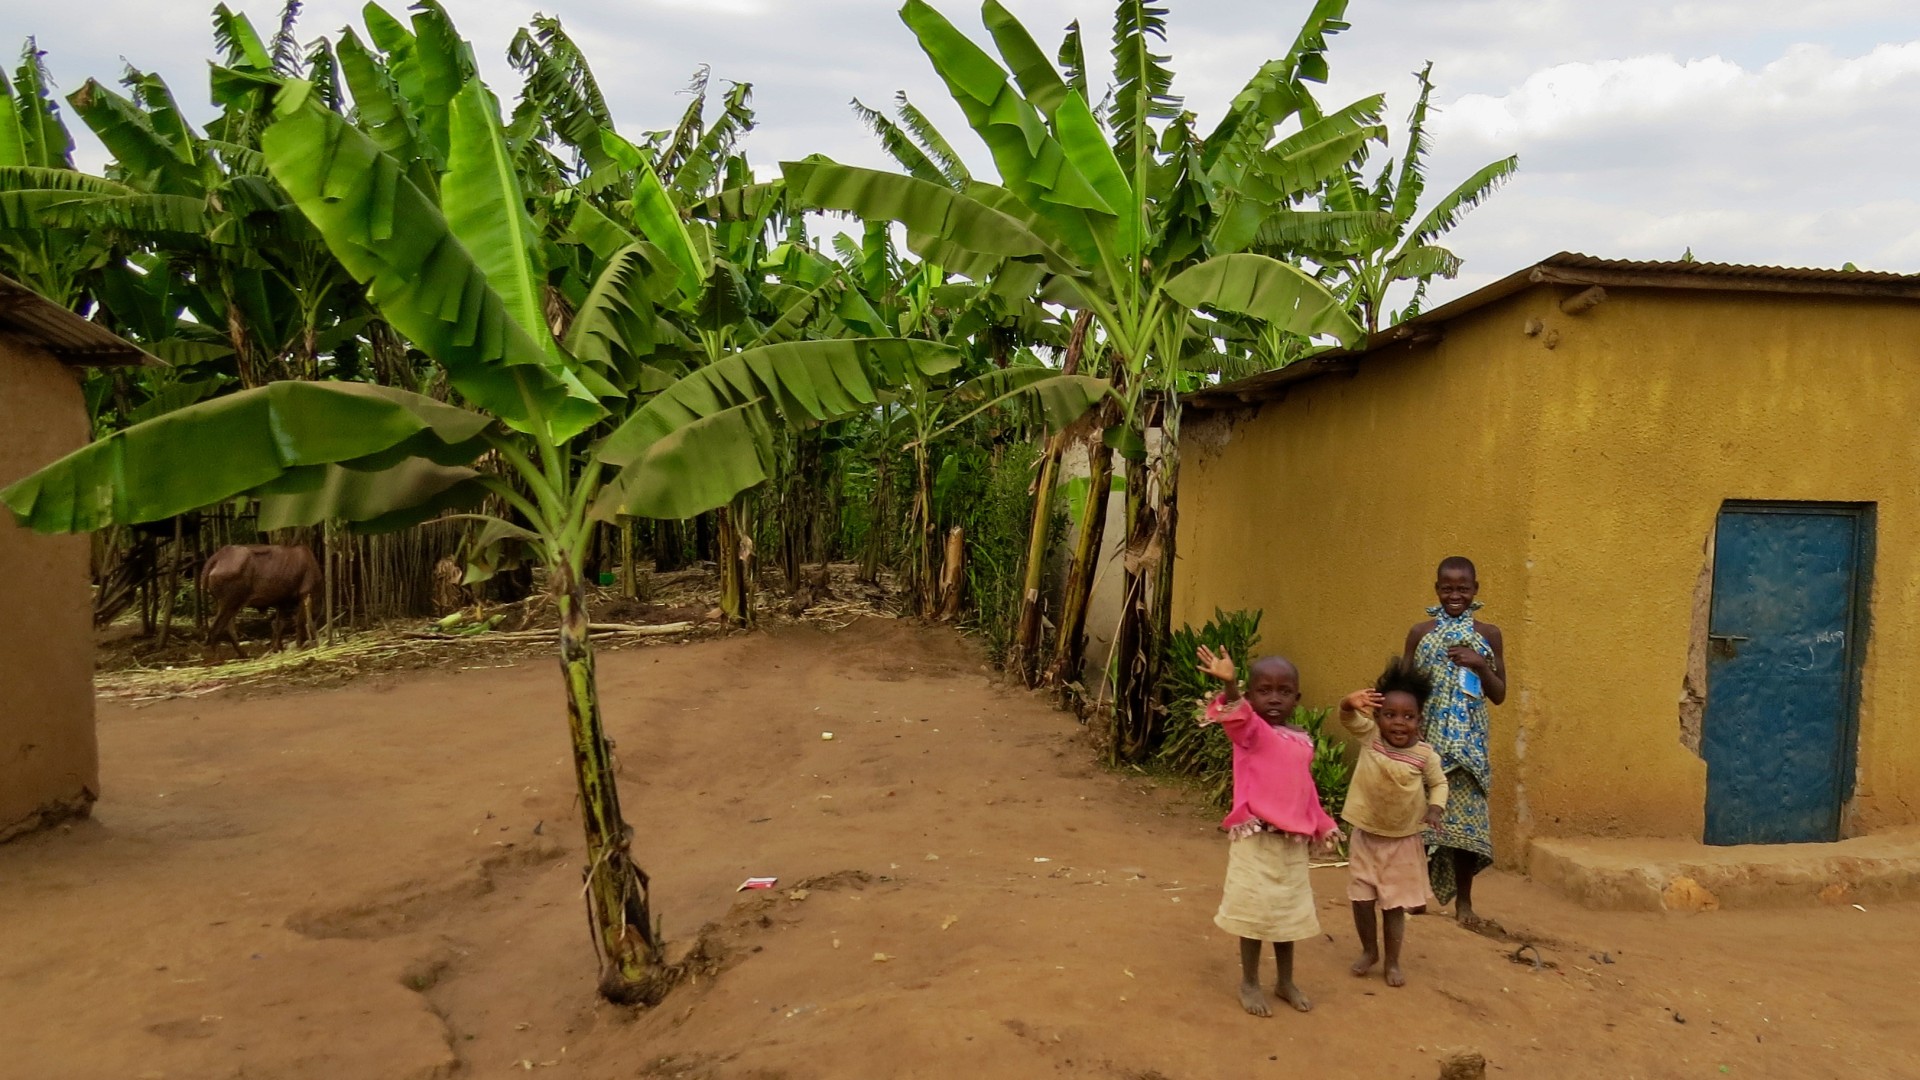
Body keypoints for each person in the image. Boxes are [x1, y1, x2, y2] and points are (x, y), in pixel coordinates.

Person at [1194, 646, 1339, 1017]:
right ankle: (1250, 982)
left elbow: (1305, 789)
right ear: (1252, 694)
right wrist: (1230, 688)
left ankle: (1285, 980)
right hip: (1256, 841)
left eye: (1284, 691)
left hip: (1291, 845)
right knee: (1255, 916)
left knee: (1287, 916)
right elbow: (1239, 716)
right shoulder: (1251, 733)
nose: (1274, 698)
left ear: (1297, 697)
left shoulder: (1302, 740)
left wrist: (1324, 824)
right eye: (1264, 690)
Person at [1403, 555, 1507, 927]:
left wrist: (1479, 664)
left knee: (1467, 829)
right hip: (1428, 744)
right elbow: (1405, 689)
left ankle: (1465, 903)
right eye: (1447, 588)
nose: (1455, 595)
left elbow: (1499, 694)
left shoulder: (1489, 635)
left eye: (1463, 588)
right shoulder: (1421, 634)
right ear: (1437, 589)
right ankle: (1414, 895)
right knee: (1418, 824)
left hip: (1469, 751)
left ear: (1476, 590)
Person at [1337, 658, 1448, 987]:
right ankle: (1370, 951)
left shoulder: (1425, 755)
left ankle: (1393, 962)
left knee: (1393, 906)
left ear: (1419, 720)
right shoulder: (1371, 738)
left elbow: (1439, 783)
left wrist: (1435, 808)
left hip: (1401, 841)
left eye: (1408, 716)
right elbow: (1346, 717)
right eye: (1390, 715)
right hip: (1366, 836)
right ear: (1376, 716)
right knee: (1362, 900)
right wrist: (1348, 702)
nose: (1399, 723)